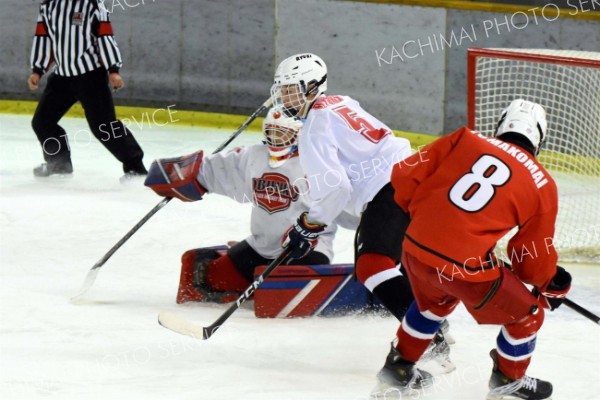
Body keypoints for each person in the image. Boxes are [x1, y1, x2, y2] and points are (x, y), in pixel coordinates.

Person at [379, 99, 571, 399]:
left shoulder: (463, 138)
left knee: (433, 303)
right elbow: (531, 258)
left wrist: (421, 219)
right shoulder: (542, 183)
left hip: (414, 248)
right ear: (539, 139)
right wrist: (550, 283)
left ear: (500, 126)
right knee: (527, 316)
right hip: (464, 269)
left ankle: (398, 368)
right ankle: (508, 381)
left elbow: (404, 173)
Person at [145, 107, 350, 304]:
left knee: (274, 296)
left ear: (299, 135)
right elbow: (222, 167)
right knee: (213, 279)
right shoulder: (254, 155)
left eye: (282, 134)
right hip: (260, 245)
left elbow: (348, 199)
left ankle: (262, 286)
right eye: (271, 132)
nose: (275, 139)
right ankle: (249, 276)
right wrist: (183, 175)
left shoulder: (321, 163)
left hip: (305, 249)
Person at [272, 53, 417, 321]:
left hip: (390, 187)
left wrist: (308, 226)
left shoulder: (314, 126)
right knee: (411, 258)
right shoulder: (341, 102)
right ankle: (431, 321)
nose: (284, 95)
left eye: (290, 89)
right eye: (281, 88)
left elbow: (336, 188)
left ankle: (429, 337)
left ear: (312, 88)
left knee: (373, 265)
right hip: (415, 175)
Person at [28, 0, 147, 179]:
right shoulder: (47, 6)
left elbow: (105, 37)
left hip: (91, 76)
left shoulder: (93, 5)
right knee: (42, 123)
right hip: (61, 78)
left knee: (104, 127)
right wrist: (38, 70)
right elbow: (43, 37)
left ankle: (135, 168)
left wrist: (113, 70)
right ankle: (59, 165)